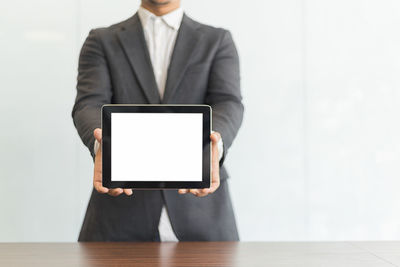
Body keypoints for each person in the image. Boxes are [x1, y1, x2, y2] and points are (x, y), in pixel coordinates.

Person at [72, 0, 244, 241]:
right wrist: (103, 145)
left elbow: (228, 102)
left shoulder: (217, 40)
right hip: (119, 214)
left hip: (201, 212)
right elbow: (89, 104)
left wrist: (213, 145)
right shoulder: (102, 40)